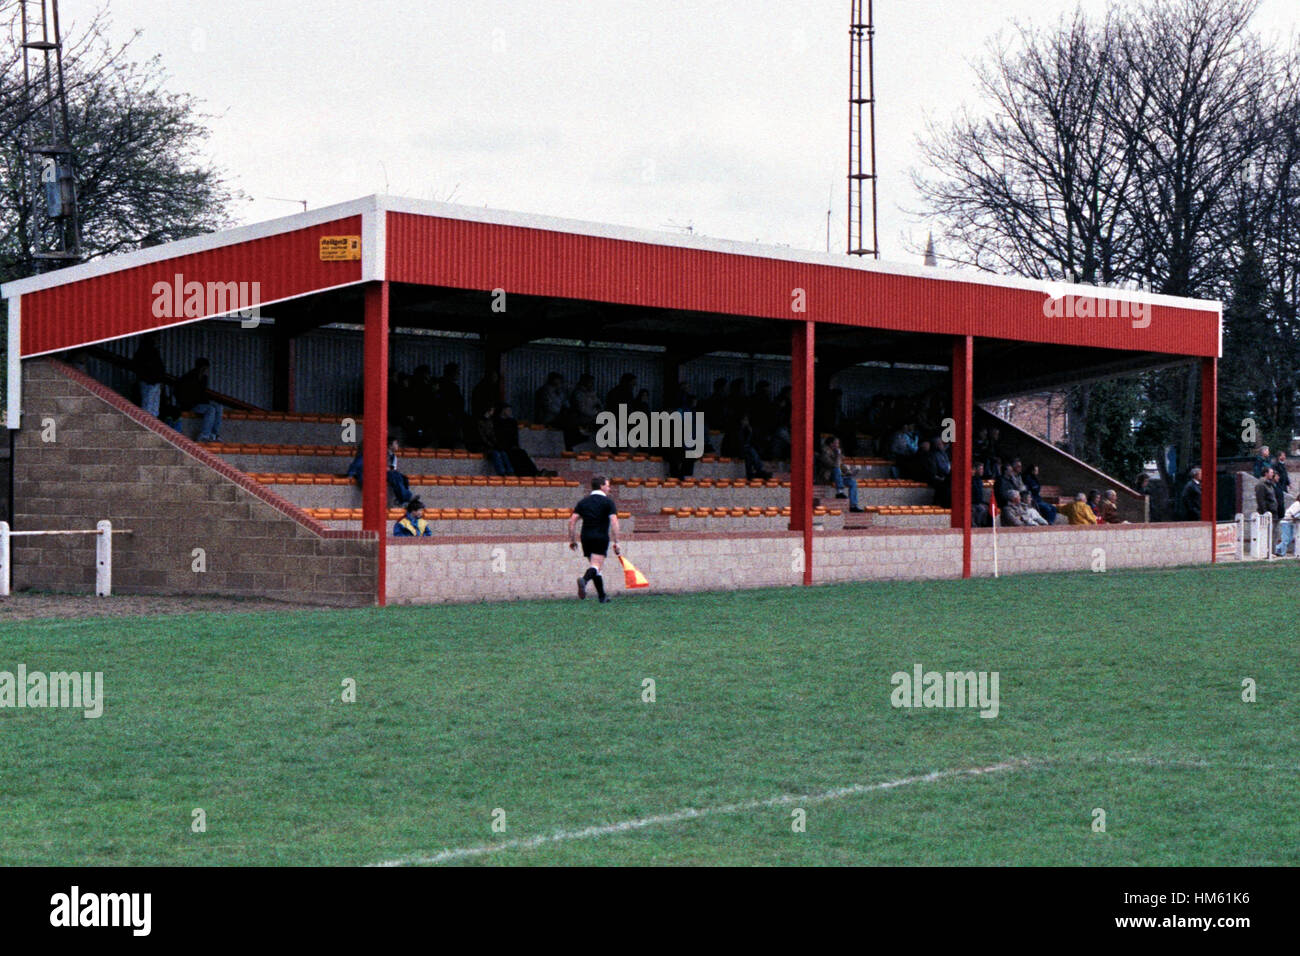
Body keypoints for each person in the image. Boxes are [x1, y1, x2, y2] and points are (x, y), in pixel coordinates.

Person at [568, 475, 621, 604]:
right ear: (601, 486)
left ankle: (602, 596)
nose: (609, 488)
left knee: (595, 567)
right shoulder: (608, 502)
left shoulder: (583, 502)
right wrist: (617, 541)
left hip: (585, 537)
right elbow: (614, 521)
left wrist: (572, 540)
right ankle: (584, 580)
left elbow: (572, 521)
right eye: (608, 485)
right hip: (600, 537)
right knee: (596, 566)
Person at [347, 437, 415, 505]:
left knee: (401, 477)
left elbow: (391, 467)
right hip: (373, 474)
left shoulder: (392, 456)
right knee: (394, 476)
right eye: (396, 443)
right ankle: (406, 497)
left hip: (383, 472)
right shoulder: (369, 454)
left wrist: (387, 469)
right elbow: (359, 464)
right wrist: (350, 474)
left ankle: (403, 499)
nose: (398, 445)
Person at [173, 357, 222, 442]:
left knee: (219, 407)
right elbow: (187, 395)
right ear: (202, 368)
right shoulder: (188, 378)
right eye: (206, 368)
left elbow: (203, 394)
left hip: (200, 403)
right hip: (190, 404)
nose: (207, 371)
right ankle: (204, 435)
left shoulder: (203, 379)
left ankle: (214, 434)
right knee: (211, 410)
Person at [819, 435, 864, 512]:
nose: (838, 445)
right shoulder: (824, 453)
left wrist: (849, 472)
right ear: (831, 444)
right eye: (836, 443)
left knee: (853, 482)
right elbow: (834, 465)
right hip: (828, 476)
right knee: (836, 469)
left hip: (838, 477)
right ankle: (839, 492)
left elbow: (841, 465)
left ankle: (853, 505)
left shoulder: (837, 453)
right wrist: (837, 455)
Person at [133, 334, 166, 416]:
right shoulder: (146, 351)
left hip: (153, 381)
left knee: (152, 406)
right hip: (149, 382)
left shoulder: (148, 351)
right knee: (149, 406)